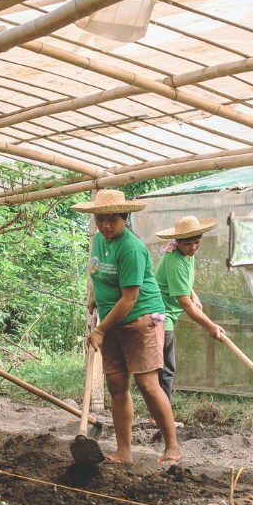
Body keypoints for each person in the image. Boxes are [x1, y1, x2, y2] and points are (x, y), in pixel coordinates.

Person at [72, 189, 181, 467]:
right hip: (111, 321)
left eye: (112, 220)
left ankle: (172, 446)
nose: (106, 225)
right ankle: (124, 450)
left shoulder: (131, 247)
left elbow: (129, 299)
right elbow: (99, 272)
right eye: (100, 219)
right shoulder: (98, 241)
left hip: (139, 319)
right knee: (117, 385)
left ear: (124, 218)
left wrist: (100, 330)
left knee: (146, 384)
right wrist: (95, 297)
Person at [154, 215, 226, 402]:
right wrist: (211, 326)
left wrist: (195, 295)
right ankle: (161, 417)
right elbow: (185, 304)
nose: (193, 247)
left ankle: (161, 415)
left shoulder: (184, 254)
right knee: (166, 368)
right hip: (160, 315)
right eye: (188, 244)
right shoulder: (175, 262)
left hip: (167, 312)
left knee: (164, 367)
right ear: (177, 242)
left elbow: (184, 285)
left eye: (197, 242)